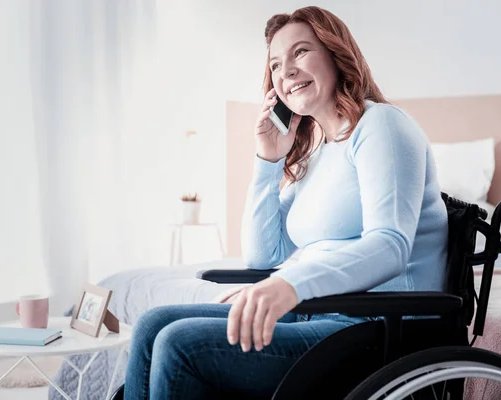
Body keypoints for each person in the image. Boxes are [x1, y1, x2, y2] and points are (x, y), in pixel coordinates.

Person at [123, 6, 448, 399]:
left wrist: (288, 283)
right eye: (276, 64)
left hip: (376, 327)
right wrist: (268, 160)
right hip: (319, 313)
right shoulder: (318, 153)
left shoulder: (382, 125)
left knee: (180, 344)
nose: (286, 71)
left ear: (335, 53)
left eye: (300, 52)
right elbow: (263, 257)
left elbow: (390, 246)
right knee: (152, 324)